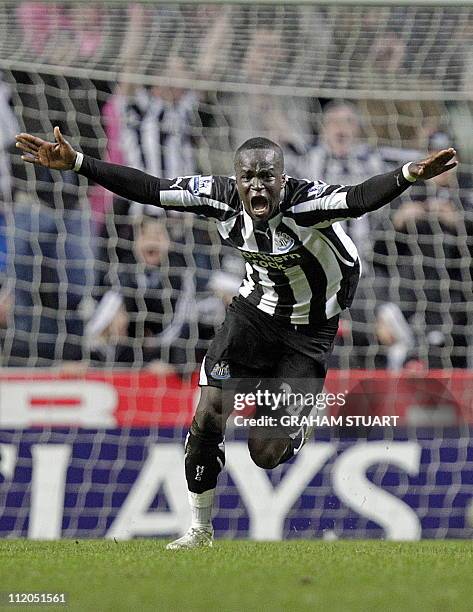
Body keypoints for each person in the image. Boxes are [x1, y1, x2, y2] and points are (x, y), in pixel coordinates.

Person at [16, 126, 456, 548]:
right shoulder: (218, 197)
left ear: (283, 179)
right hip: (254, 313)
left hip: (309, 329)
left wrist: (409, 174)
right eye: (248, 177)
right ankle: (199, 529)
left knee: (265, 453)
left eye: (267, 176)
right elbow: (151, 188)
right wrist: (77, 162)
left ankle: (293, 425)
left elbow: (360, 198)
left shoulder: (309, 202)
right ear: (236, 178)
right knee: (208, 413)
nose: (257, 186)